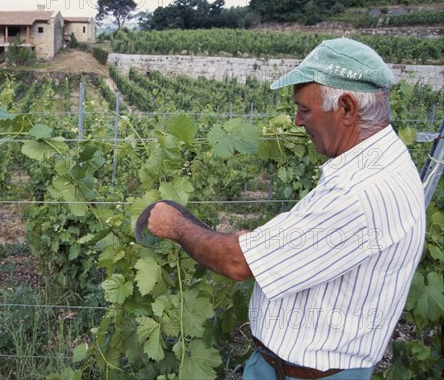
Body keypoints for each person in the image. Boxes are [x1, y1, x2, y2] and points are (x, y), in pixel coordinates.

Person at [145, 38, 425, 380]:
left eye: (305, 110)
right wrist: (271, 245)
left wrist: (175, 224)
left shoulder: (360, 192)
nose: (296, 121)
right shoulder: (384, 161)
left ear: (347, 109)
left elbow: (237, 262)